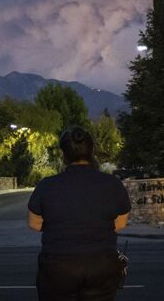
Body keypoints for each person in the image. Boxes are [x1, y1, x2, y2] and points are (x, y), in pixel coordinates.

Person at [27, 125, 132, 301]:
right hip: (101, 265)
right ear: (92, 152)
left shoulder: (47, 185)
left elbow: (34, 223)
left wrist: (59, 226)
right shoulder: (112, 184)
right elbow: (120, 223)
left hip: (58, 267)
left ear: (63, 154)